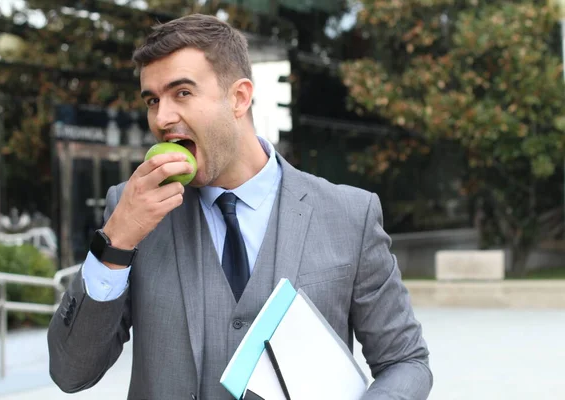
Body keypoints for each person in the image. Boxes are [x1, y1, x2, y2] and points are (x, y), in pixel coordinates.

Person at [47, 13, 432, 400]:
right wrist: (117, 239)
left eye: (182, 93)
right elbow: (71, 372)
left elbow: (405, 362)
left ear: (240, 97)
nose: (162, 118)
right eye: (152, 100)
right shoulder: (129, 210)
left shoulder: (350, 214)